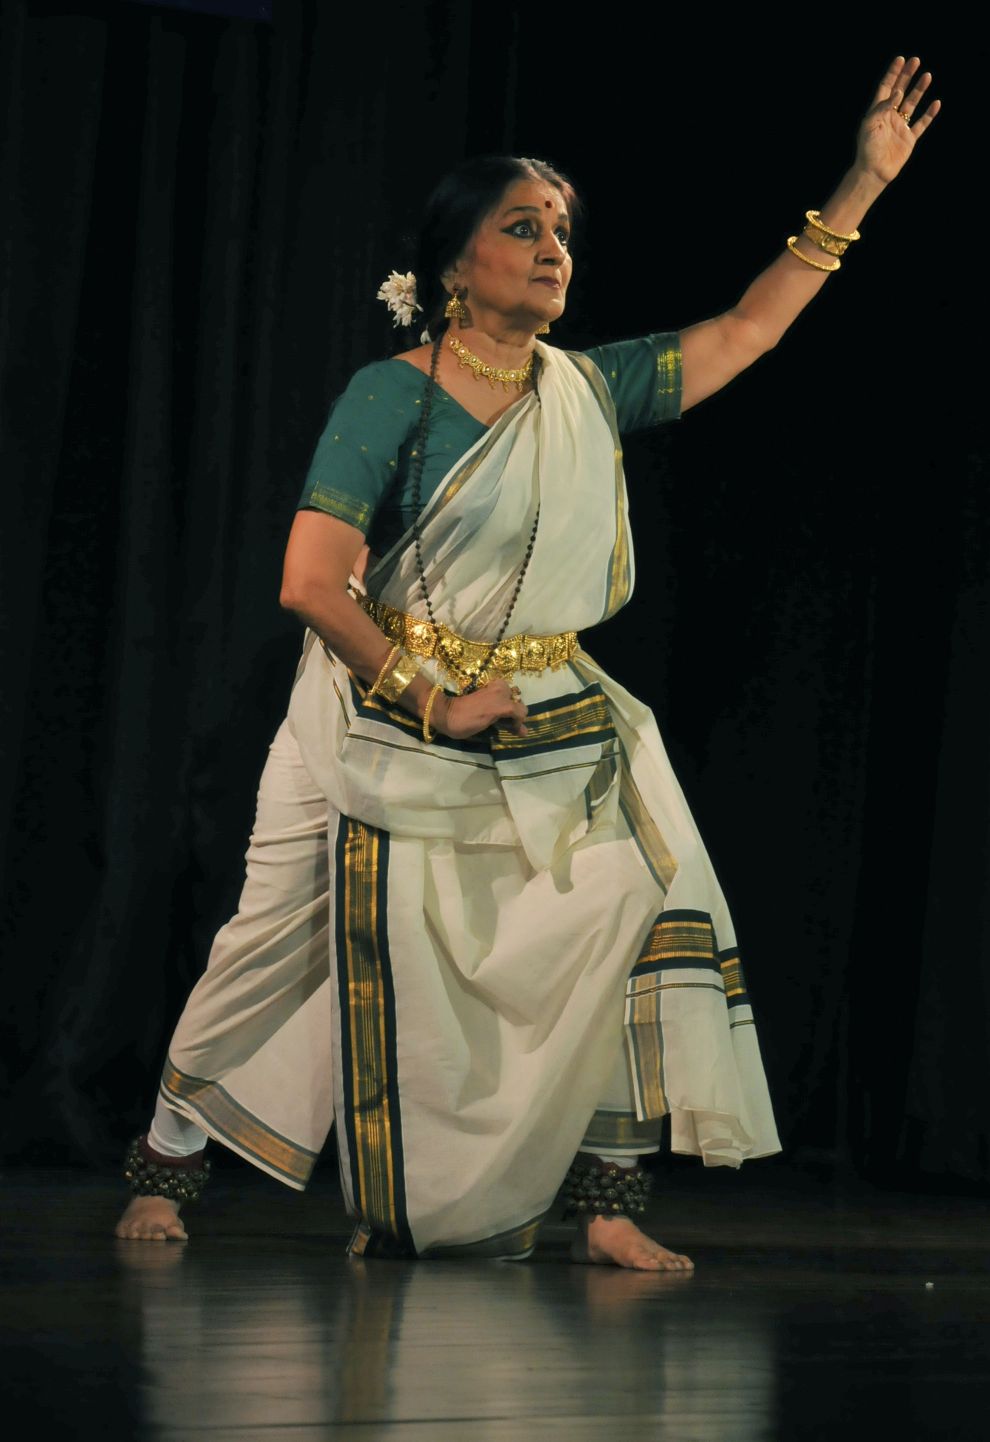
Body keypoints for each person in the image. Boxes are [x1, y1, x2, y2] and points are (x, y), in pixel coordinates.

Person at [116, 56, 939, 1268]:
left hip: (544, 704)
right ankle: (166, 1162)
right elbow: (310, 583)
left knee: (640, 896)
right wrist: (432, 700)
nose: (554, 246)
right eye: (522, 226)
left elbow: (747, 330)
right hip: (372, 708)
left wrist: (861, 185)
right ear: (454, 267)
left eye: (561, 228)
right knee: (272, 934)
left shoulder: (585, 390)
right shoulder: (390, 398)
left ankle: (606, 1199)